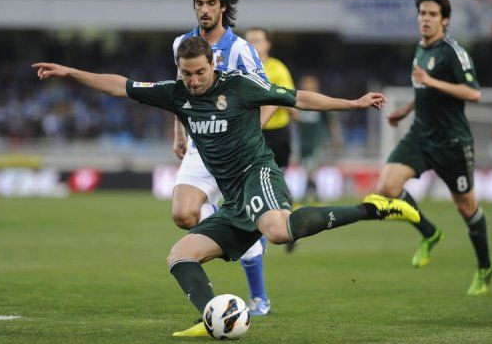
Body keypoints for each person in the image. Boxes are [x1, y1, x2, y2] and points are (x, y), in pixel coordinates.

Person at [33, 36, 420, 337]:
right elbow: (121, 85)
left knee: (278, 231)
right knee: (179, 257)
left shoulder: (240, 86)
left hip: (258, 174)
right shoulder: (176, 93)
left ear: (213, 64)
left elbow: (298, 98)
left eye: (200, 72)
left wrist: (353, 104)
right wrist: (69, 72)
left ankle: (374, 207)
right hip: (233, 198)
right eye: (187, 74)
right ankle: (211, 317)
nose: (193, 80)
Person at [377, 0, 492, 295]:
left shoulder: (453, 53)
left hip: (452, 142)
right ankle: (429, 233)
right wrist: (404, 111)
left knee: (466, 208)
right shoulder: (421, 48)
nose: (425, 19)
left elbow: (474, 93)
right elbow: (423, 90)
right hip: (420, 134)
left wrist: (431, 81)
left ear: (445, 20)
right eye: (422, 14)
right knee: (388, 187)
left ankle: (485, 267)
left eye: (432, 15)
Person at [171, 0, 274, 315]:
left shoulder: (240, 49)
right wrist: (179, 132)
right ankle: (228, 222)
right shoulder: (181, 44)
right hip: (202, 147)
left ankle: (259, 298)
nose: (204, 9)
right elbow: (179, 92)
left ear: (223, 7)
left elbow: (270, 96)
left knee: (244, 226)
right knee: (183, 214)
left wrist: (249, 133)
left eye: (211, 3)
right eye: (199, 3)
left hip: (238, 153)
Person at [245, 27, 297, 253]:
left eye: (257, 40)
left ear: (268, 45)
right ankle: (255, 229)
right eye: (249, 41)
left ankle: (289, 223)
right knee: (249, 178)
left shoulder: (277, 69)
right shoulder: (241, 68)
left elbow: (287, 100)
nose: (253, 45)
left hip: (276, 133)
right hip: (250, 133)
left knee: (277, 180)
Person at [296, 73, 343, 202]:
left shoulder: (320, 101)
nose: (307, 86)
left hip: (317, 140)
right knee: (306, 167)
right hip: (303, 141)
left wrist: (336, 137)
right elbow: (296, 120)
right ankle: (312, 191)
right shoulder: (298, 100)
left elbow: (331, 121)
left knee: (312, 166)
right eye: (305, 84)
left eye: (309, 84)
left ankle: (310, 191)